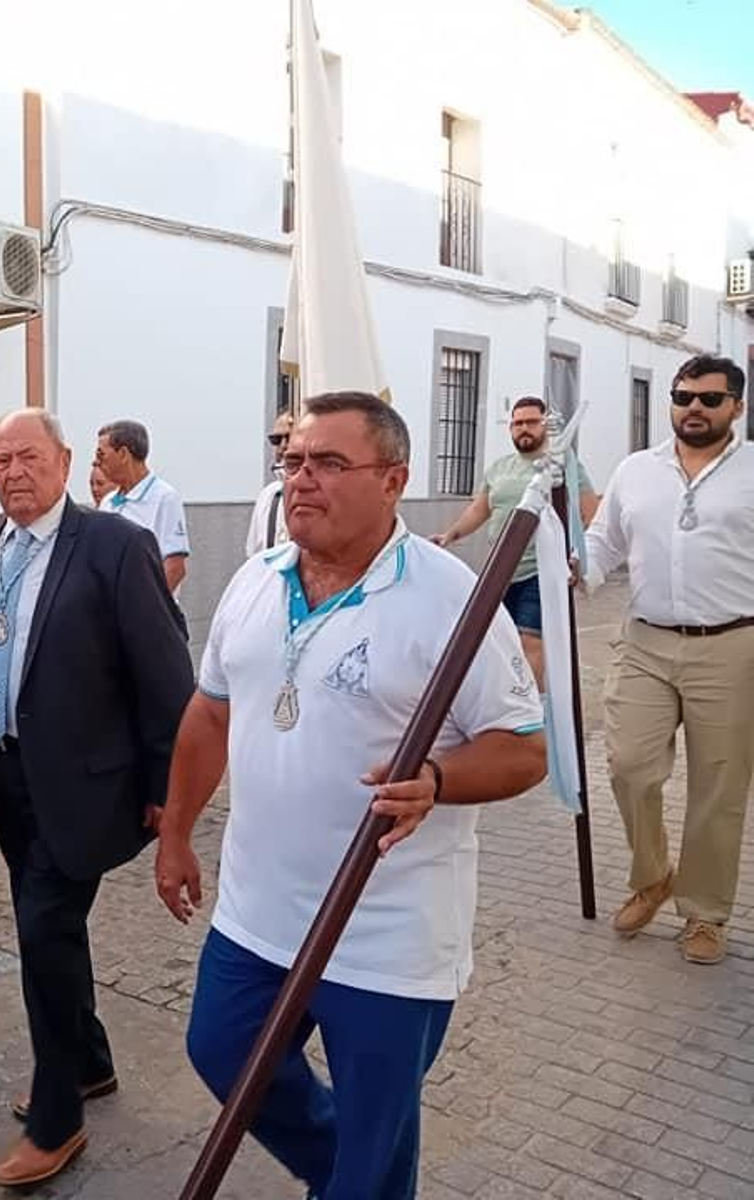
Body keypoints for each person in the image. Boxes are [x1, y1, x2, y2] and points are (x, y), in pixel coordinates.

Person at [156, 391, 547, 1200]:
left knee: (380, 1135)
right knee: (222, 1051)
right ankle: (347, 1178)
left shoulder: (451, 600)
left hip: (386, 935)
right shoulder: (255, 582)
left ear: (394, 479)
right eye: (294, 461)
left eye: (330, 462)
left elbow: (524, 750)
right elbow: (209, 713)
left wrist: (438, 780)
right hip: (257, 913)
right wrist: (176, 833)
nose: (302, 479)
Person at [0, 409, 192, 1188]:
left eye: (29, 457)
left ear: (68, 461)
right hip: (1, 773)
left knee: (43, 933)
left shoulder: (114, 544)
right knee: (49, 928)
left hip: (82, 784)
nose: (14, 471)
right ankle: (89, 1063)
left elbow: (164, 676)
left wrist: (165, 790)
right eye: (0, 459)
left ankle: (57, 1118)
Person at [583, 354, 754, 966]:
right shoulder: (636, 470)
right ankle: (654, 876)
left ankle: (705, 913)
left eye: (710, 399)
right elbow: (603, 542)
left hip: (732, 644)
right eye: (683, 397)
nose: (694, 409)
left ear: (737, 405)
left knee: (720, 785)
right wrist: (579, 568)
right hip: (647, 638)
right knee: (628, 764)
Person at [432, 396, 599, 687]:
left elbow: (589, 512)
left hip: (541, 571)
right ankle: (507, 704)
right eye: (518, 423)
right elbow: (479, 510)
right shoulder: (499, 468)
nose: (524, 429)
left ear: (544, 424)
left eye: (531, 422)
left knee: (529, 642)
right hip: (501, 569)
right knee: (495, 643)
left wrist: (577, 555)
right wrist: (450, 535)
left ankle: (531, 711)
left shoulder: (563, 466)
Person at [94, 419, 191, 593]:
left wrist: (147, 609)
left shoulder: (164, 498)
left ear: (123, 454)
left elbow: (175, 567)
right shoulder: (108, 502)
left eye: (101, 455)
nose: (96, 462)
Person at [245, 411, 295, 556]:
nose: (283, 445)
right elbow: (254, 555)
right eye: (276, 439)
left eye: (290, 437)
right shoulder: (267, 496)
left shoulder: (321, 491)